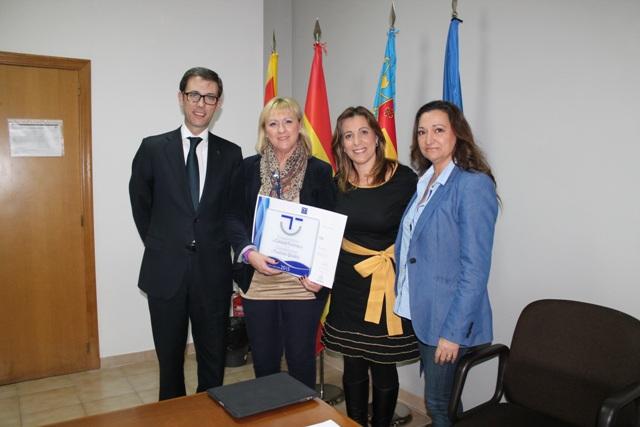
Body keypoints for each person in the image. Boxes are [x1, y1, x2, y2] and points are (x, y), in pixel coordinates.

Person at [129, 67, 245, 400]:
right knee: (169, 362)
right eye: (194, 95)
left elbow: (233, 212)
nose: (201, 104)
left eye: (210, 97)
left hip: (213, 274)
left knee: (213, 361)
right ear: (181, 98)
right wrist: (163, 244)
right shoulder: (153, 148)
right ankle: (172, 416)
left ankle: (210, 416)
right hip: (165, 272)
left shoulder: (231, 154)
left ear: (218, 104)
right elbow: (141, 203)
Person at [394, 100, 499, 427]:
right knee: (448, 401)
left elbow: (475, 270)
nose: (429, 139)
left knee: (439, 404)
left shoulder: (472, 184)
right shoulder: (425, 181)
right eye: (422, 132)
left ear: (458, 133)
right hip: (425, 311)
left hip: (448, 320)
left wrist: (452, 333)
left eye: (438, 130)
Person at [322, 106, 420, 427]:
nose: (357, 142)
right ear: (341, 144)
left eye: (363, 132)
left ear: (377, 137)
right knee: (352, 363)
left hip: (385, 283)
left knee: (382, 363)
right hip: (347, 285)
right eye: (348, 136)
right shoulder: (336, 183)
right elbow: (326, 232)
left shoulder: (404, 179)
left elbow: (420, 231)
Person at [236, 97, 335, 389]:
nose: (281, 130)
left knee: (301, 362)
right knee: (264, 363)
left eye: (288, 121)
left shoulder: (319, 171)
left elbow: (330, 228)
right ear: (264, 130)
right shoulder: (247, 168)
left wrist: (320, 275)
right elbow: (232, 217)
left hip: (302, 284)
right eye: (273, 123)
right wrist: (249, 252)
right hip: (257, 280)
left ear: (299, 126)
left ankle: (303, 413)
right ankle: (269, 412)